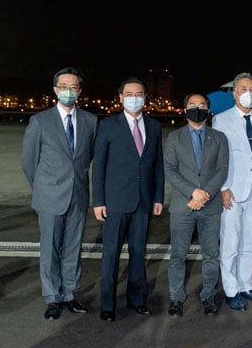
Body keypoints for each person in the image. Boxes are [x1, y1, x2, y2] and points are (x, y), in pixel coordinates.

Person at [22, 67, 97, 320]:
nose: (68, 91)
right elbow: (29, 162)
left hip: (77, 195)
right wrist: (44, 189)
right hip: (50, 196)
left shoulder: (90, 121)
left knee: (73, 248)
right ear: (55, 90)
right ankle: (52, 297)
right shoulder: (40, 121)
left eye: (73, 87)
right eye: (63, 87)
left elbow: (89, 158)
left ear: (80, 91)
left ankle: (70, 294)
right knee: (50, 249)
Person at [92, 76, 165, 322]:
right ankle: (108, 304)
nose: (135, 98)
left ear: (145, 97)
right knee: (110, 254)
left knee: (138, 252)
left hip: (143, 202)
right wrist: (98, 200)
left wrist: (158, 196)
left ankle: (137, 300)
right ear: (121, 97)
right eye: (129, 94)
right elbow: (99, 166)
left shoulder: (154, 126)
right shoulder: (108, 125)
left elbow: (158, 166)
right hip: (115, 201)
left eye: (139, 94)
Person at [164, 93, 229, 317]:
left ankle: (208, 295)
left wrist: (205, 195)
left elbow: (222, 169)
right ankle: (176, 298)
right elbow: (170, 170)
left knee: (211, 254)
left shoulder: (219, 137)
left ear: (208, 110)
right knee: (178, 255)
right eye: (192, 105)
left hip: (210, 207)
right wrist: (193, 192)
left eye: (202, 105)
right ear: (185, 109)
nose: (197, 108)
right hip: (183, 205)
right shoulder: (174, 138)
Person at [212, 72, 252, 310]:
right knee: (230, 242)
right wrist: (223, 188)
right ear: (235, 93)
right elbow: (219, 157)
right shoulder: (221, 120)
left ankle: (246, 285)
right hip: (232, 191)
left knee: (249, 242)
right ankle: (230, 289)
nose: (248, 93)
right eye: (243, 88)